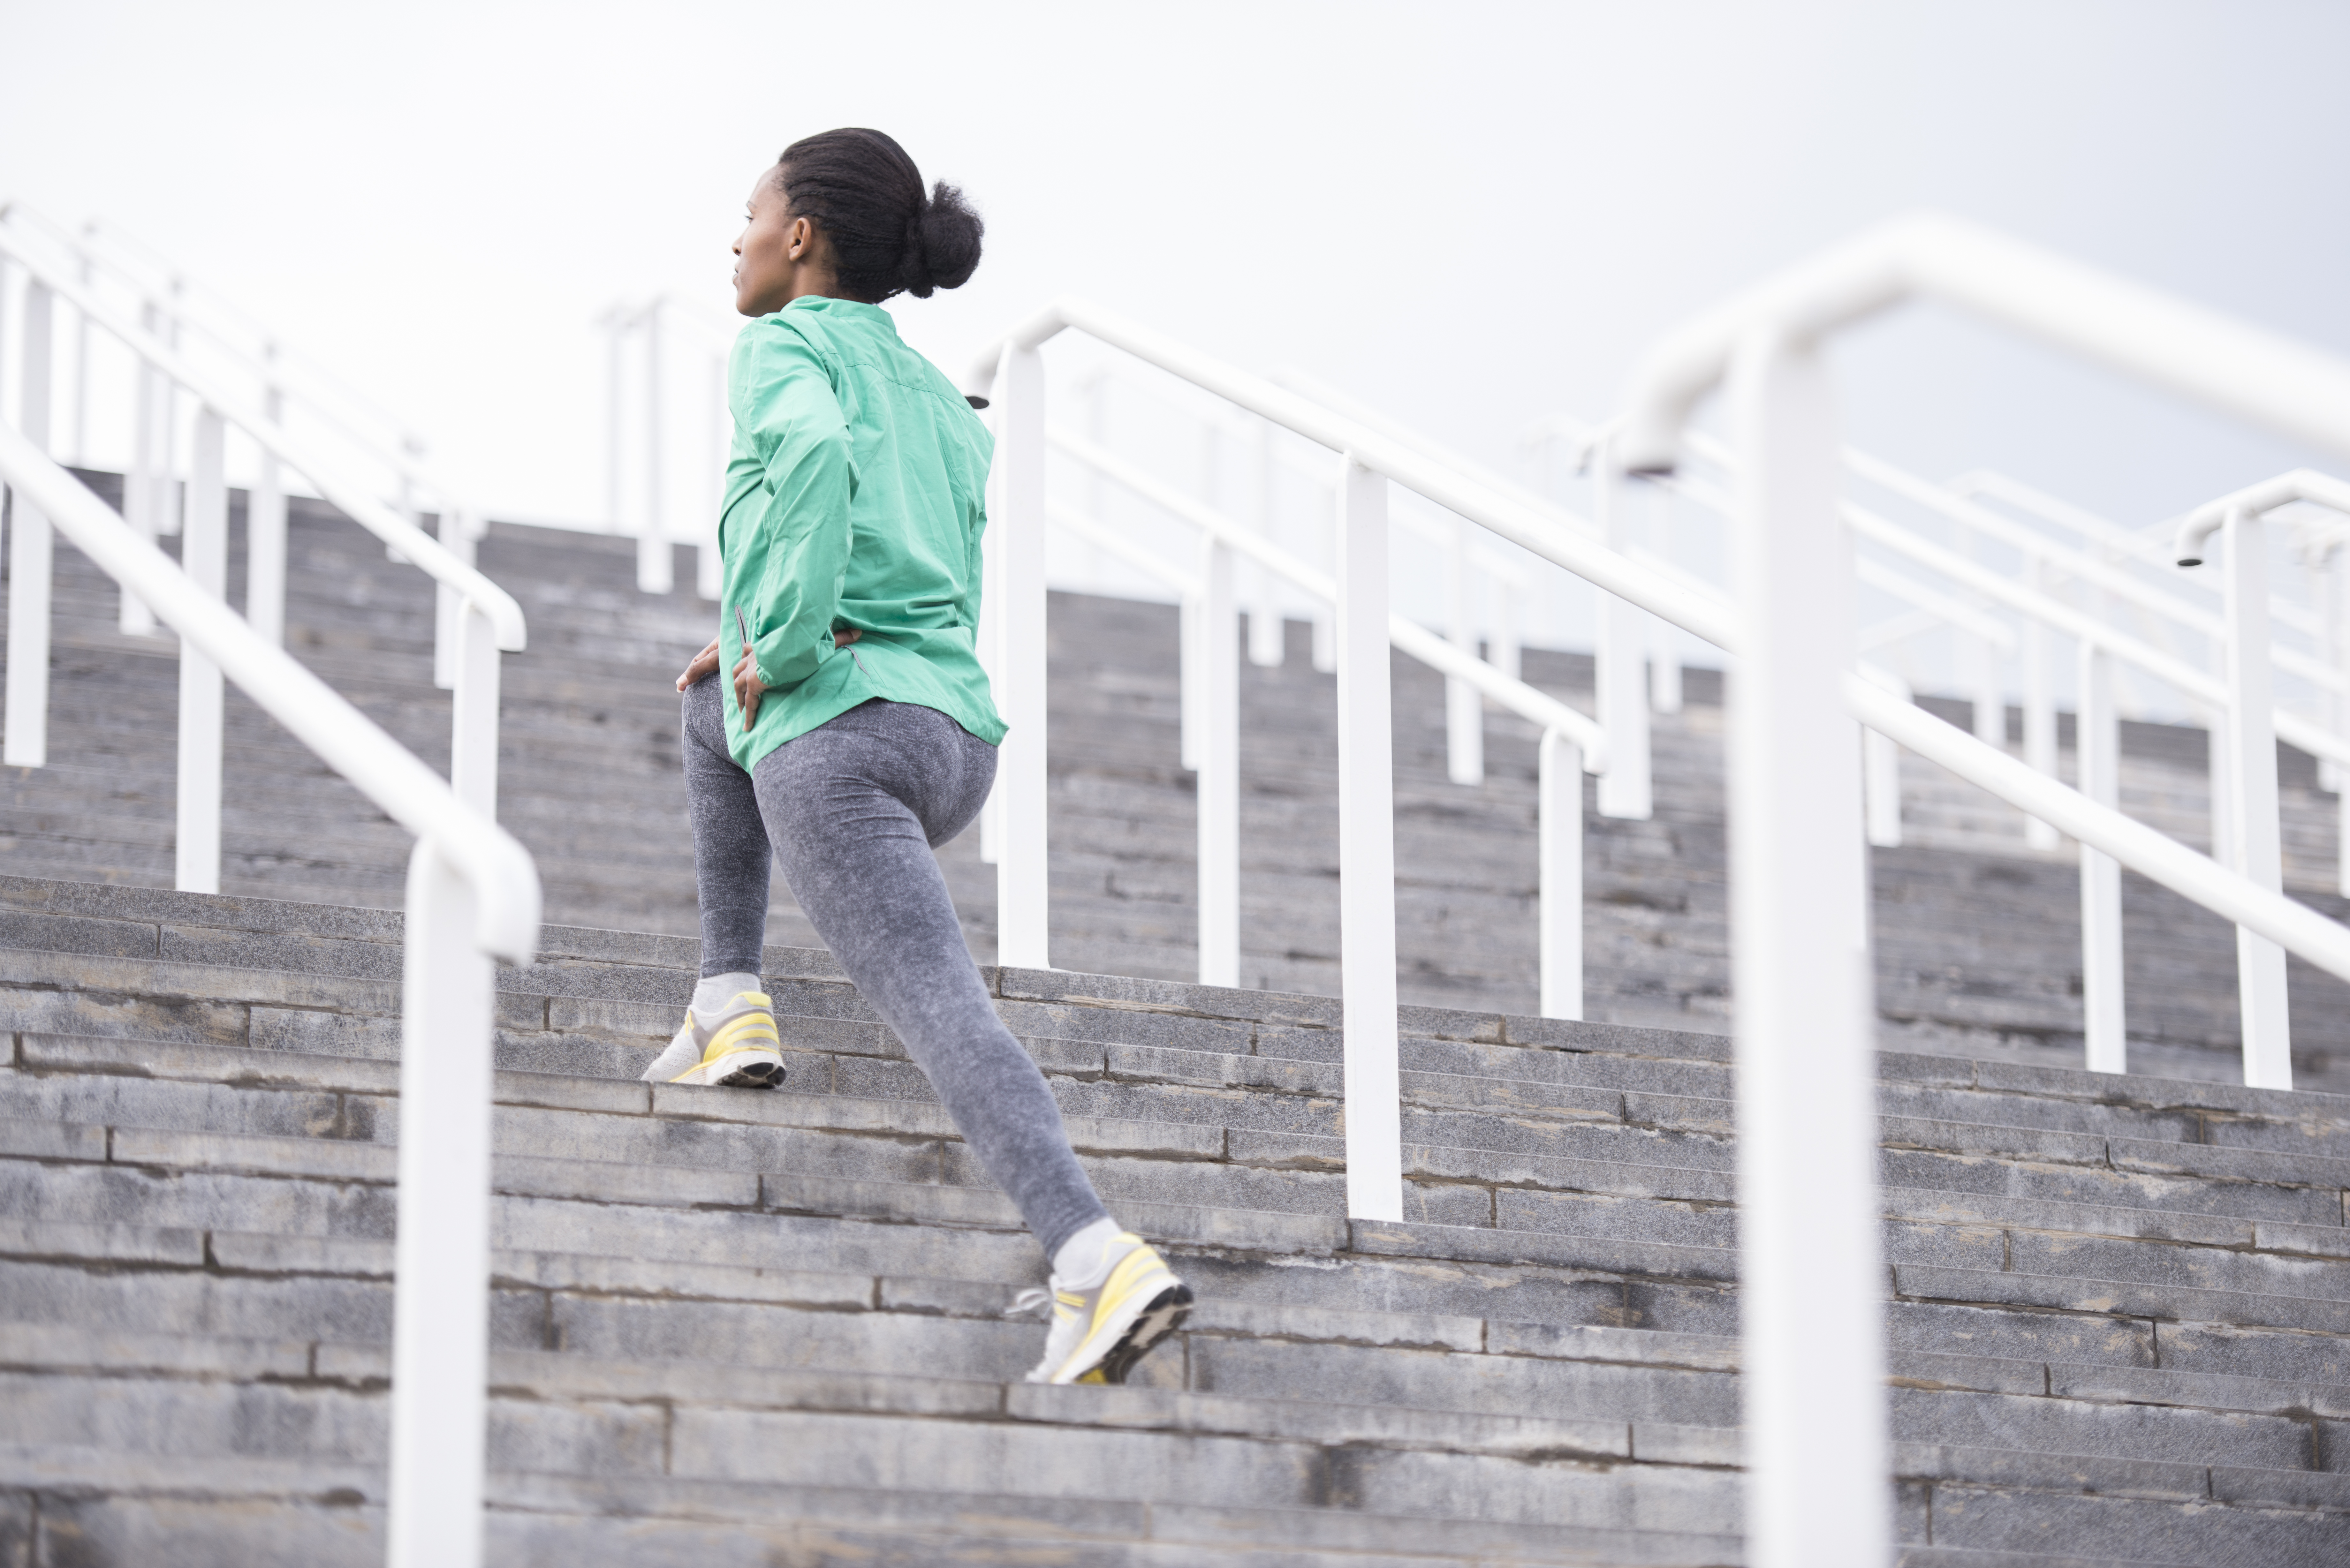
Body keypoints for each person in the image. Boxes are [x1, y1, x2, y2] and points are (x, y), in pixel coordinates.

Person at [644, 128, 1192, 1386]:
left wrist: (778, 643)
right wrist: (747, 649)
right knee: (706, 711)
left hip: (837, 743)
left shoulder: (777, 346)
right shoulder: (939, 392)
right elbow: (930, 562)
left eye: (748, 214)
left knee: (942, 1009)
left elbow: (819, 466)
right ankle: (729, 1004)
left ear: (800, 239)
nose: (732, 239)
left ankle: (1094, 1255)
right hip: (948, 733)